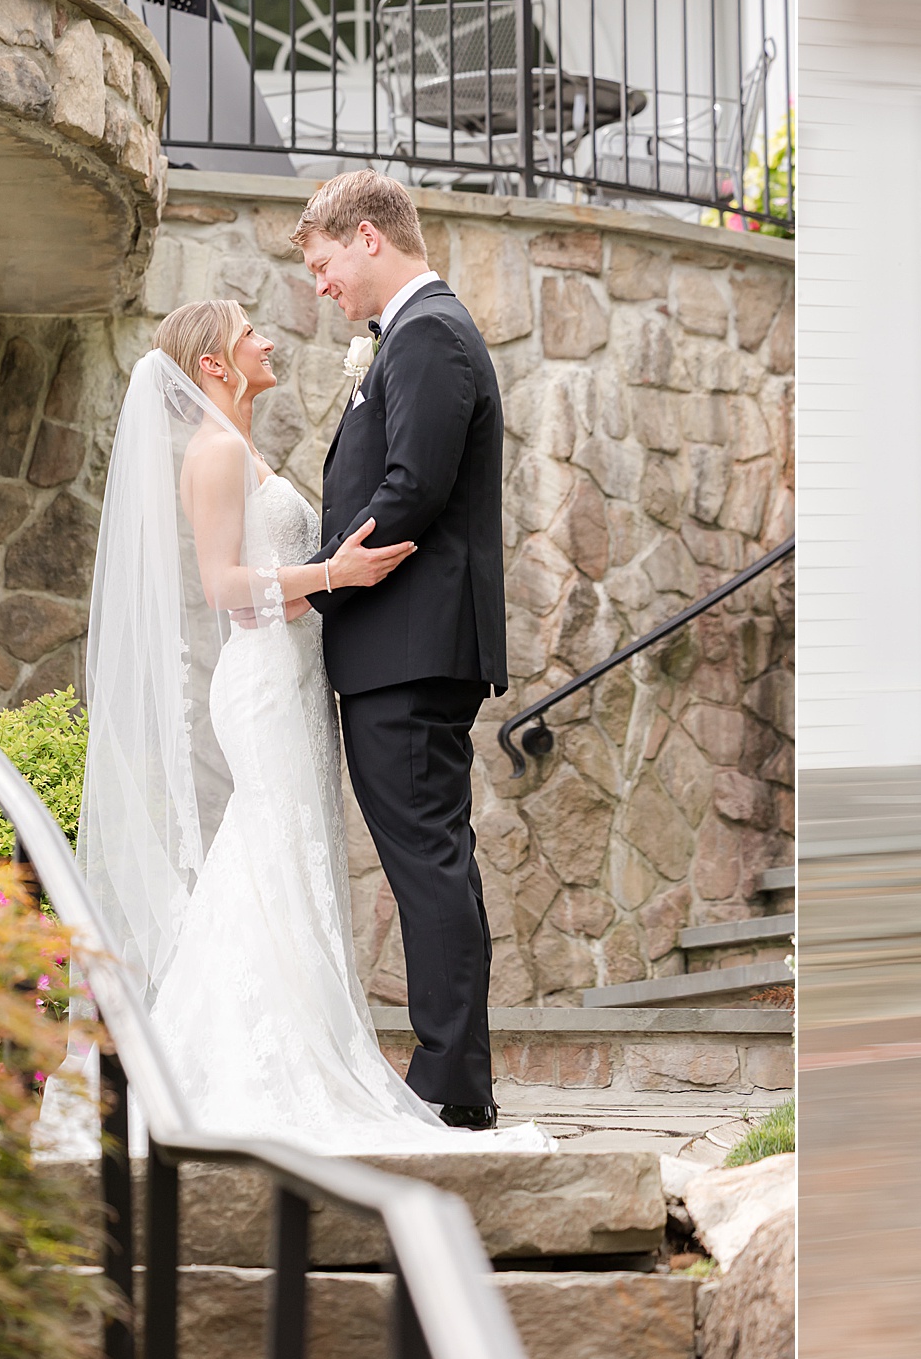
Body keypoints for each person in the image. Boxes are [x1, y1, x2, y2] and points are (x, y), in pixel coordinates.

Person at [42, 300, 549, 1156]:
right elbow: (220, 585)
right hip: (266, 683)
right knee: (270, 849)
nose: (268, 339)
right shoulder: (210, 454)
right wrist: (334, 573)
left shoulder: (243, 449)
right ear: (213, 364)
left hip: (300, 672)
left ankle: (303, 1042)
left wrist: (325, 581)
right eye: (249, 332)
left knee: (295, 851)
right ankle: (243, 1061)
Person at [294, 170, 511, 1129]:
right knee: (433, 859)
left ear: (371, 238)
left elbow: (411, 487)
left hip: (409, 645)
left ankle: (450, 1085)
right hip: (403, 646)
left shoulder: (427, 336)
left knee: (426, 860)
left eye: (324, 260)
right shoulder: (412, 337)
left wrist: (325, 579)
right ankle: (451, 1074)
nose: (321, 283)